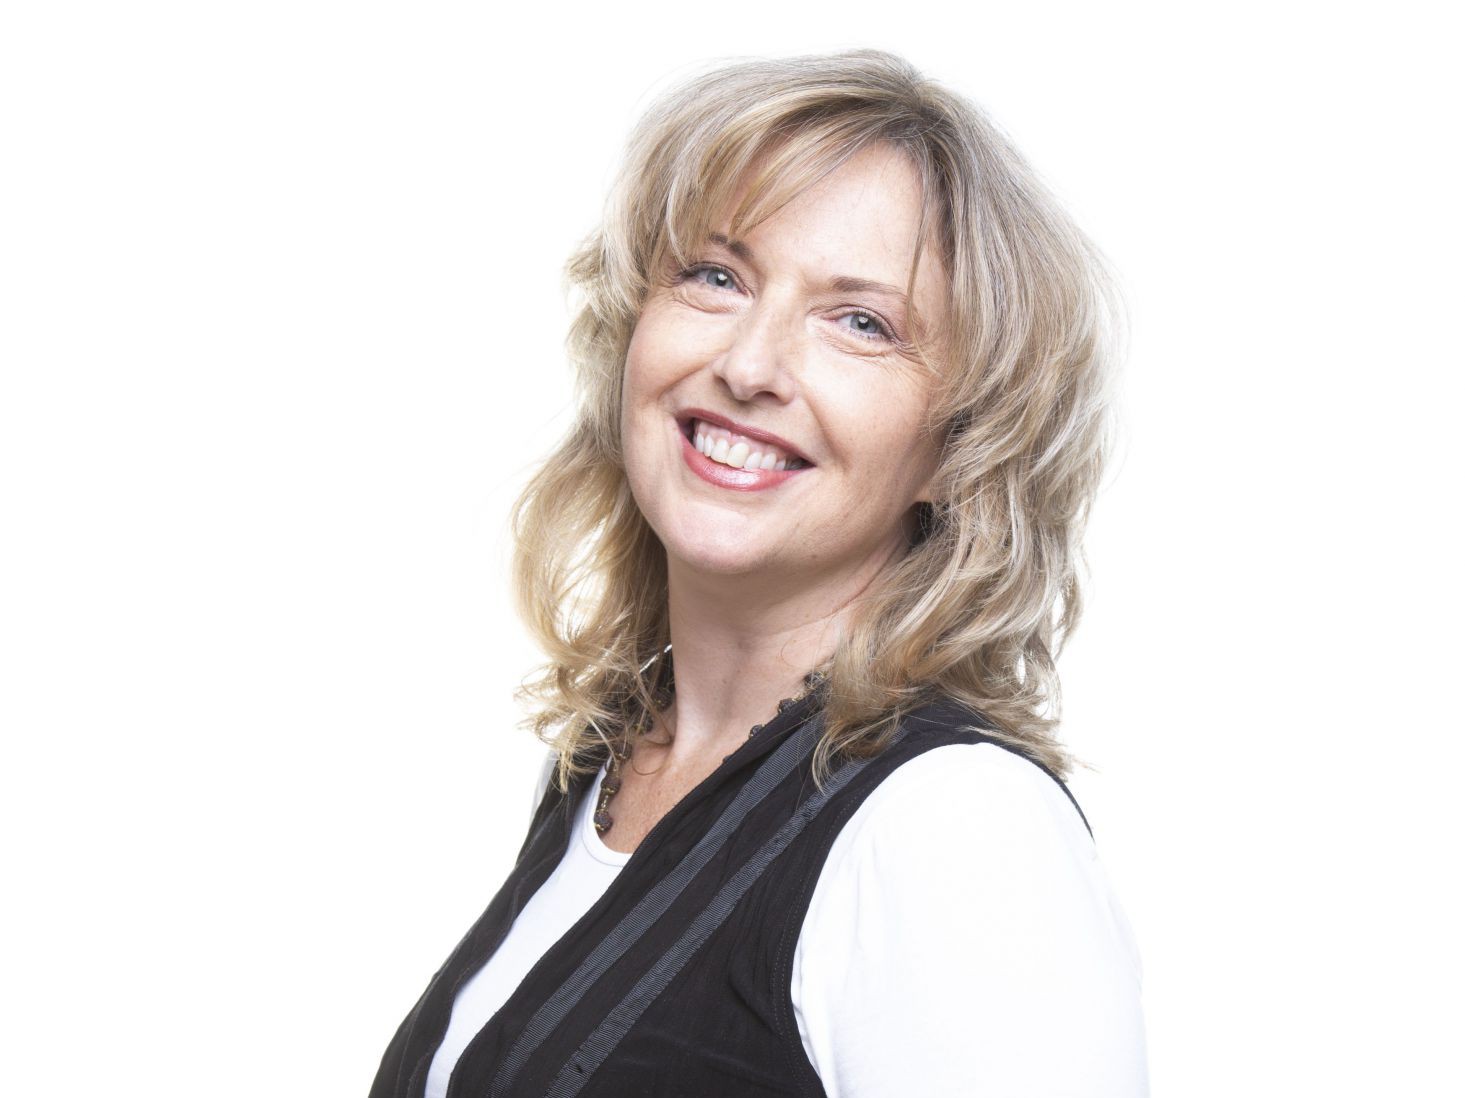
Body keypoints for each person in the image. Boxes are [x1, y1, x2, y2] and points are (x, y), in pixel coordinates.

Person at [368, 48, 1148, 1098]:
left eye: (861, 323)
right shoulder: (605, 771)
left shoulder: (952, 831)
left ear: (963, 447)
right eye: (716, 276)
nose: (747, 365)